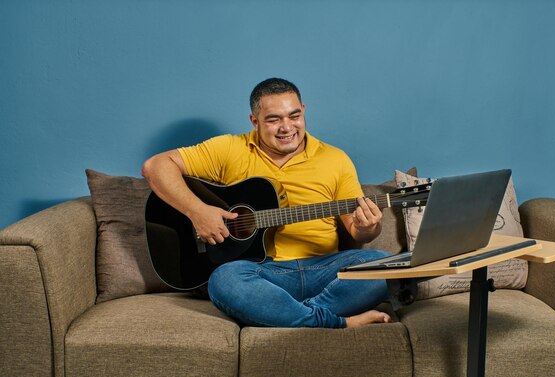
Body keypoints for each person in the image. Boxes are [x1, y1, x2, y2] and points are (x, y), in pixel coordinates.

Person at [142, 78, 391, 328]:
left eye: (294, 116)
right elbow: (155, 166)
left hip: (323, 271)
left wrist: (368, 227)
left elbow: (357, 230)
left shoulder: (336, 159)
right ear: (254, 121)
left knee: (384, 265)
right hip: (260, 274)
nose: (287, 127)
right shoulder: (229, 148)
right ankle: (334, 322)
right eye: (274, 119)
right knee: (224, 279)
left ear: (303, 110)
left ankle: (290, 314)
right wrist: (198, 212)